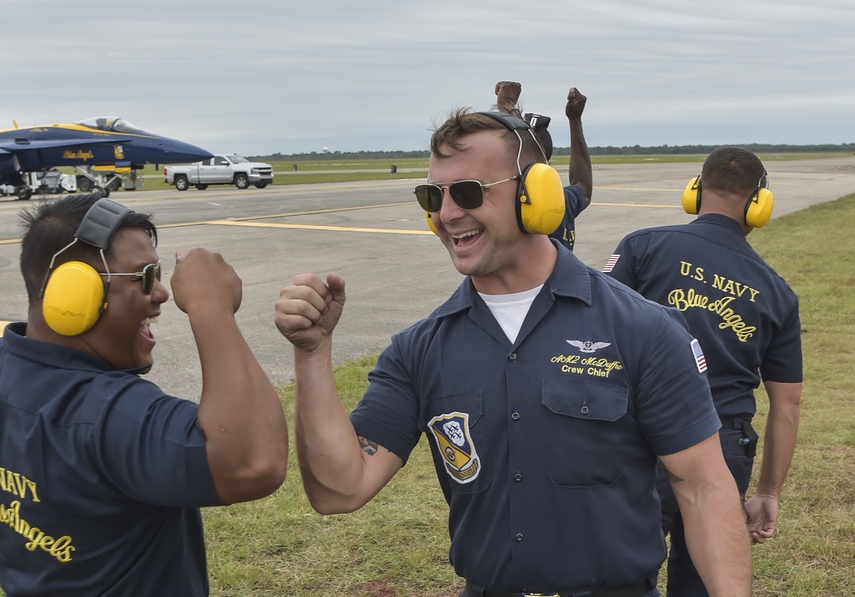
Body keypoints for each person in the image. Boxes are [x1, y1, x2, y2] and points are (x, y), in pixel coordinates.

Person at [275, 108, 751, 596]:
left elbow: (703, 489)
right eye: (432, 196)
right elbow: (339, 489)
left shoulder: (643, 330)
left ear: (535, 197)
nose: (446, 214)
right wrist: (312, 354)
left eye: (467, 192)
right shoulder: (418, 349)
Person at [0, 192, 288, 596]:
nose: (162, 293)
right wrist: (210, 307)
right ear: (73, 292)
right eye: (145, 277)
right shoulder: (113, 415)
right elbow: (253, 463)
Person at [604, 147, 803, 597]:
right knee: (703, 582)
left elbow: (594, 335)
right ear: (759, 203)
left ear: (694, 191)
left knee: (617, 575)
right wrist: (768, 492)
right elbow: (787, 403)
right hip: (723, 445)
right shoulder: (777, 290)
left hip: (639, 438)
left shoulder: (642, 245)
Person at [495, 81, 592, 250]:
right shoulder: (560, 201)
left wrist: (506, 106)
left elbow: (517, 151)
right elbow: (583, 186)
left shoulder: (503, 205)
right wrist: (574, 120)